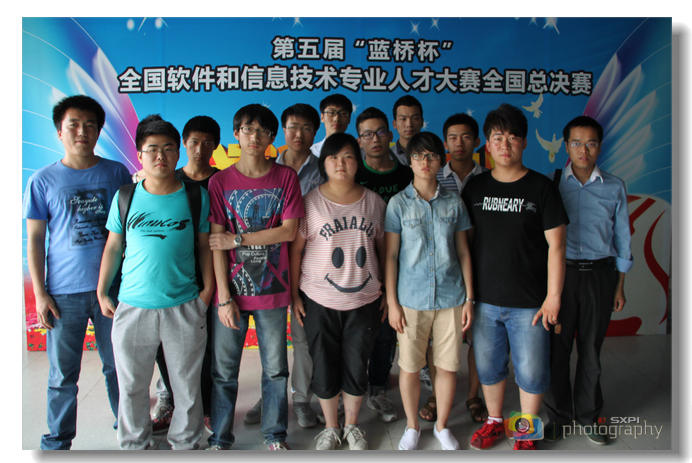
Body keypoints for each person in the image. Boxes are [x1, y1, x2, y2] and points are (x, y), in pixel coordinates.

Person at [97, 114, 214, 450]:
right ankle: (135, 445)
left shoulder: (195, 196)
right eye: (152, 149)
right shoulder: (125, 196)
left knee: (187, 385)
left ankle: (186, 443)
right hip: (133, 306)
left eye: (168, 148)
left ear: (177, 153)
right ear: (139, 155)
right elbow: (113, 247)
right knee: (132, 385)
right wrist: (102, 290)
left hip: (184, 306)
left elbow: (204, 247)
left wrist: (206, 293)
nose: (160, 155)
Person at [23, 95, 131, 450]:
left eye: (90, 125)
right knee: (62, 374)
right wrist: (40, 293)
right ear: (59, 131)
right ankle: (57, 442)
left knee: (118, 367)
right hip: (63, 294)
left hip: (112, 289)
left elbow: (128, 231)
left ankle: (128, 428)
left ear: (99, 131)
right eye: (73, 125)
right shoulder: (42, 180)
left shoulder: (116, 173)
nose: (82, 131)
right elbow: (35, 240)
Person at [461, 103, 568, 451]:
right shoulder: (475, 188)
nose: (505, 145)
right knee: (489, 368)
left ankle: (526, 429)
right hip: (485, 301)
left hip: (531, 303)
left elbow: (557, 246)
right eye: (497, 138)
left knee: (532, 373)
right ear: (487, 145)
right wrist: (467, 297)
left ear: (524, 142)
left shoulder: (542, 188)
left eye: (512, 137)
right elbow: (465, 245)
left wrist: (553, 297)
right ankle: (494, 421)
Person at [206, 104, 303, 451]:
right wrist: (223, 298)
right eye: (248, 129)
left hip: (272, 291)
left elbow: (288, 231)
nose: (254, 137)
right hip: (233, 292)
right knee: (223, 372)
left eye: (263, 131)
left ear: (272, 137)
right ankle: (220, 438)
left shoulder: (286, 178)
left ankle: (274, 435)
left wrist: (238, 239)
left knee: (275, 370)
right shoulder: (219, 182)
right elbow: (215, 243)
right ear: (236, 133)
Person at [290, 132, 387, 450]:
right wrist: (293, 295)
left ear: (358, 162)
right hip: (318, 299)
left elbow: (384, 251)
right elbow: (295, 251)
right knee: (323, 364)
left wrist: (387, 292)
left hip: (365, 299)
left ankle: (352, 426)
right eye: (333, 157)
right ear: (324, 164)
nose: (341, 163)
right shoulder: (309, 202)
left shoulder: (374, 202)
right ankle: (331, 428)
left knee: (357, 364)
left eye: (348, 157)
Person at [543, 116, 632, 445]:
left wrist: (619, 286)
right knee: (557, 350)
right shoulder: (551, 184)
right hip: (561, 278)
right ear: (566, 146)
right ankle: (558, 415)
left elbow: (622, 238)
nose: (584, 150)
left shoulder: (615, 186)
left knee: (591, 351)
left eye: (591, 143)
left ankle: (589, 416)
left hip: (600, 277)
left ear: (599, 147)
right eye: (577, 143)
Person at [385, 132, 474, 451]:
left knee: (447, 366)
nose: (425, 162)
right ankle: (412, 427)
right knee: (409, 367)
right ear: (409, 161)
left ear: (441, 160)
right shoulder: (397, 203)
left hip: (451, 298)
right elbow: (391, 255)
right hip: (411, 299)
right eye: (419, 156)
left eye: (432, 155)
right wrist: (392, 303)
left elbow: (463, 252)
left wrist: (469, 299)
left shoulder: (454, 202)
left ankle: (441, 426)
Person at [244, 103, 323, 428]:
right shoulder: (266, 167)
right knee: (271, 339)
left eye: (306, 128)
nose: (299, 134)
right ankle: (270, 396)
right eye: (293, 127)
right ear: (282, 131)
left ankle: (302, 398)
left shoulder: (324, 169)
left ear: (315, 132)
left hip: (311, 264)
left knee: (303, 337)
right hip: (268, 266)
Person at [148, 116, 222, 435]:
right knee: (165, 347)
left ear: (216, 146)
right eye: (193, 142)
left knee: (207, 347)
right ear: (183, 145)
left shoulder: (221, 182)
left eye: (207, 143)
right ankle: (171, 398)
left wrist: (210, 287)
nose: (200, 149)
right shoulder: (168, 178)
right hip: (171, 279)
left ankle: (207, 406)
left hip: (210, 277)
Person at [420, 113, 489, 425]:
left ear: (477, 141)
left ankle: (473, 395)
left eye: (466, 137)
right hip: (440, 270)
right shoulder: (432, 177)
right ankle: (436, 395)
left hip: (481, 266)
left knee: (478, 337)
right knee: (437, 339)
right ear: (445, 143)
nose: (459, 143)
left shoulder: (489, 179)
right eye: (452, 138)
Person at [355, 107, 413, 423]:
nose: (375, 139)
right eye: (367, 134)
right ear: (359, 140)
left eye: (380, 132)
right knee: (355, 334)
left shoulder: (407, 175)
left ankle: (378, 390)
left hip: (400, 267)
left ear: (390, 135)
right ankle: (349, 392)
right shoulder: (354, 175)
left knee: (386, 334)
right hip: (358, 269)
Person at [390, 95, 424, 166]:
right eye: (403, 119)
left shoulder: (432, 155)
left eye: (415, 118)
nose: (409, 124)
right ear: (394, 124)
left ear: (422, 122)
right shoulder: (386, 157)